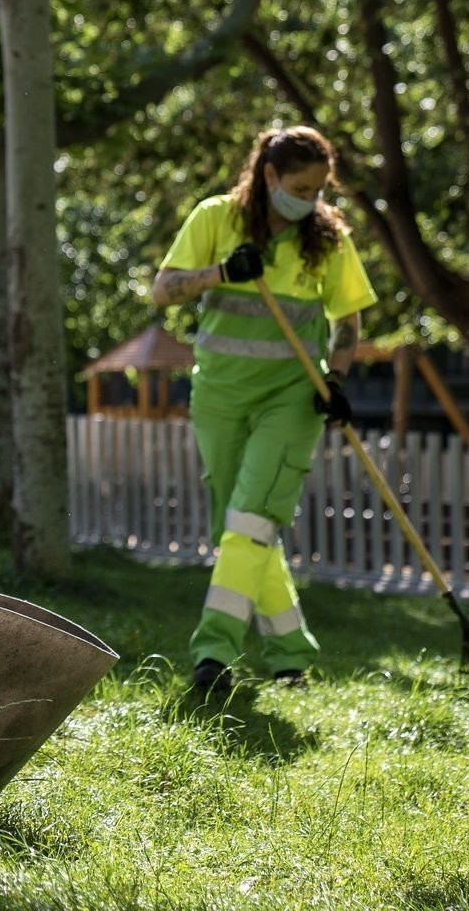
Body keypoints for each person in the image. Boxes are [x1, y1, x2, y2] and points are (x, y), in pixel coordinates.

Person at [151, 126, 377, 693]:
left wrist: (338, 377)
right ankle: (290, 656)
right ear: (269, 175)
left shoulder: (327, 240)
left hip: (292, 399)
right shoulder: (215, 218)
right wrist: (222, 272)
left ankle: (212, 654)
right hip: (220, 396)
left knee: (250, 520)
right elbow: (164, 290)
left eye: (320, 189)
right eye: (300, 186)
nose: (310, 199)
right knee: (241, 529)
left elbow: (347, 322)